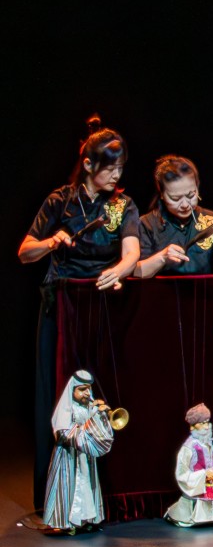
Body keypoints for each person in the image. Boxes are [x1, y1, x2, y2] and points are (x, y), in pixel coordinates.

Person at [18, 116, 140, 510]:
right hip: (64, 306)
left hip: (104, 305)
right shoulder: (60, 201)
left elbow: (132, 251)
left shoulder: (122, 205)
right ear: (88, 165)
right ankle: (57, 496)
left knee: (105, 395)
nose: (116, 175)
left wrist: (120, 270)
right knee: (60, 396)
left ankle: (110, 493)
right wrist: (52, 241)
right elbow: (24, 251)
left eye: (121, 168)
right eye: (110, 168)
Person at [135, 156, 213, 332]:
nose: (185, 204)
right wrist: (162, 258)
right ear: (162, 194)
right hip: (159, 314)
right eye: (176, 198)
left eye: (191, 195)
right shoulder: (146, 224)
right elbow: (137, 271)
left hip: (203, 310)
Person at [41, 370, 115, 534]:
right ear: (73, 390)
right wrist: (87, 429)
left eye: (88, 388)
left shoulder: (89, 407)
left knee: (87, 487)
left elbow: (99, 432)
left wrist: (101, 415)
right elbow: (63, 433)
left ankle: (87, 519)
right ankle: (67, 522)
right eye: (82, 389)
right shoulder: (67, 408)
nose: (87, 393)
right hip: (69, 456)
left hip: (85, 456)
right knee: (70, 488)